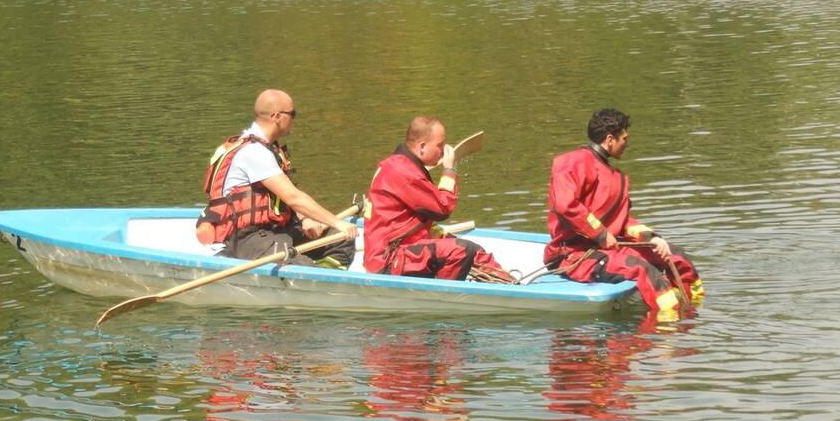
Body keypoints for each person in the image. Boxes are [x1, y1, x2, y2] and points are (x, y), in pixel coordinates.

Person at [545, 108, 703, 319]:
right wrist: (600, 234)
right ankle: (668, 326)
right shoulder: (573, 163)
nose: (627, 144)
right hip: (574, 255)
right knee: (645, 271)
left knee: (677, 257)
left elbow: (623, 221)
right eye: (624, 138)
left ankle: (692, 311)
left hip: (608, 248)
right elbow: (566, 205)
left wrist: (653, 239)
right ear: (610, 139)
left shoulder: (616, 177)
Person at [195, 89, 357, 268]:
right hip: (247, 238)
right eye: (292, 114)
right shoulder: (253, 152)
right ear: (277, 116)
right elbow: (293, 198)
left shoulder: (269, 148)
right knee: (300, 262)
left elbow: (286, 193)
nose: (294, 119)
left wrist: (306, 219)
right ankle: (315, 279)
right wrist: (337, 222)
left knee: (339, 238)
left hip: (276, 231)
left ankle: (327, 280)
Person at [363, 116, 513, 282]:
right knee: (461, 250)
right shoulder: (402, 172)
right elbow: (442, 208)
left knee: (476, 253)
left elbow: (414, 218)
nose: (443, 151)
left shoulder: (406, 166)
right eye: (440, 145)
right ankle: (443, 296)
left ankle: (511, 285)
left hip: (407, 248)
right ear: (422, 147)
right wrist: (449, 170)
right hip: (389, 260)